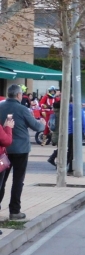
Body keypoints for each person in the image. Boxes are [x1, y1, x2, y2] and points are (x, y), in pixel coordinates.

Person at [0, 85, 45, 219]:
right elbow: (35, 126)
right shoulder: (23, 109)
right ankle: (14, 211)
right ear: (19, 95)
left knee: (1, 180)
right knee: (18, 180)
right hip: (21, 150)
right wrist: (42, 123)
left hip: (3, 150)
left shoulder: (0, 106)